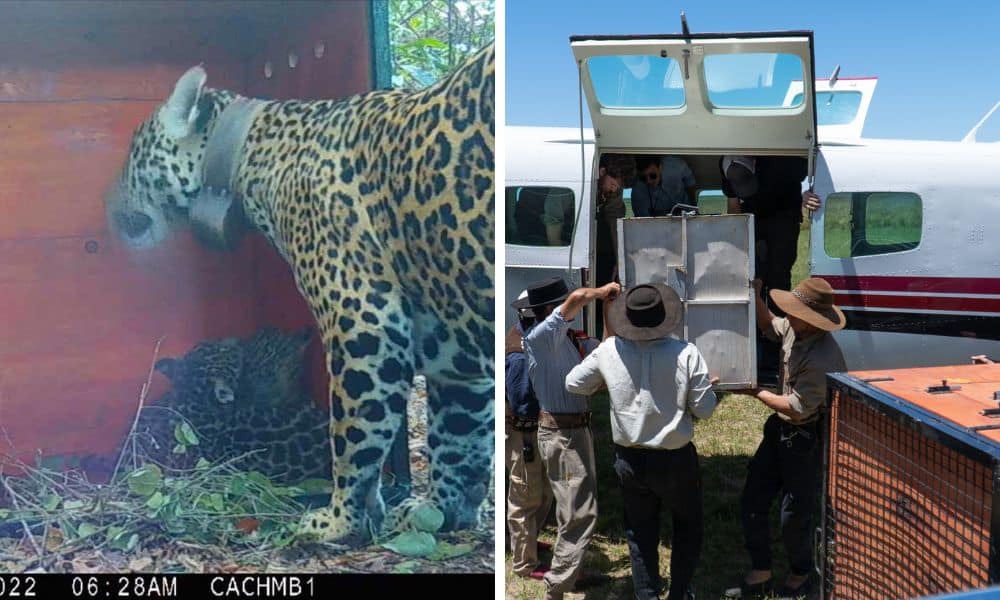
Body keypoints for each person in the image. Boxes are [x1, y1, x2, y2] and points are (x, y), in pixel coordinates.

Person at [565, 283, 719, 600]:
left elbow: (574, 383)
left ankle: (647, 595)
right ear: (665, 317)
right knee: (688, 526)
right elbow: (705, 410)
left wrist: (611, 383)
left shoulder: (609, 351)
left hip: (629, 460)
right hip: (676, 459)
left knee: (640, 531)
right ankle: (680, 594)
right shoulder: (686, 354)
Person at [727, 277, 847, 599]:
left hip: (804, 436)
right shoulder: (795, 328)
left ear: (810, 320)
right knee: (753, 498)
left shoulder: (824, 359)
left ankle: (801, 571)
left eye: (794, 312)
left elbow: (795, 408)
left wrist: (755, 391)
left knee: (794, 513)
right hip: (779, 430)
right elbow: (769, 326)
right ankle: (762, 569)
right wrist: (755, 293)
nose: (789, 315)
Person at [516, 276, 621, 600]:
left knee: (574, 510)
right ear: (550, 310)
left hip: (576, 430)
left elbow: (606, 350)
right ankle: (557, 585)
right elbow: (576, 297)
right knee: (579, 512)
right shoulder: (540, 337)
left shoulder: (572, 340)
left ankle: (565, 576)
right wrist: (603, 290)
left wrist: (607, 308)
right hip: (560, 433)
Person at [505, 290, 553, 580]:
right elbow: (523, 402)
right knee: (525, 497)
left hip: (535, 433)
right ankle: (524, 563)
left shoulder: (528, 341)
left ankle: (528, 541)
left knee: (542, 493)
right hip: (526, 434)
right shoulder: (522, 354)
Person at [631, 155, 696, 218]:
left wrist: (693, 207)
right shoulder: (637, 190)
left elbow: (690, 182)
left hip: (684, 211)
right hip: (657, 219)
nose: (649, 181)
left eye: (652, 175)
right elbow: (643, 219)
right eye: (643, 178)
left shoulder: (675, 166)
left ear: (660, 167)